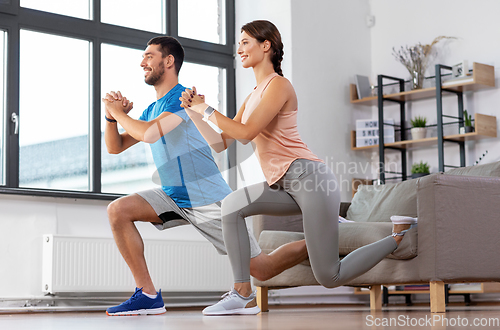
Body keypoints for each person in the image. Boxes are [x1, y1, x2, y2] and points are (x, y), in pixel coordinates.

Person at [179, 20, 417, 316]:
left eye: (245, 42)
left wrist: (207, 109)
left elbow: (246, 132)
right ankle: (242, 293)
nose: (238, 49)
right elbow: (222, 142)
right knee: (231, 206)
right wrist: (195, 113)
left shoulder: (279, 85)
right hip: (284, 184)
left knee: (330, 276)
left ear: (265, 46)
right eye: (238, 43)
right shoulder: (252, 95)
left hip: (310, 180)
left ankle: (399, 236)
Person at [102, 36, 308, 316]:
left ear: (169, 61)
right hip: (172, 196)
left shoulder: (183, 98)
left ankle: (322, 236)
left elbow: (149, 134)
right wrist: (111, 119)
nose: (142, 62)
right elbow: (115, 147)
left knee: (262, 268)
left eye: (149, 56)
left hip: (207, 198)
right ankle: (148, 295)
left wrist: (117, 111)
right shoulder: (152, 110)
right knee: (118, 211)